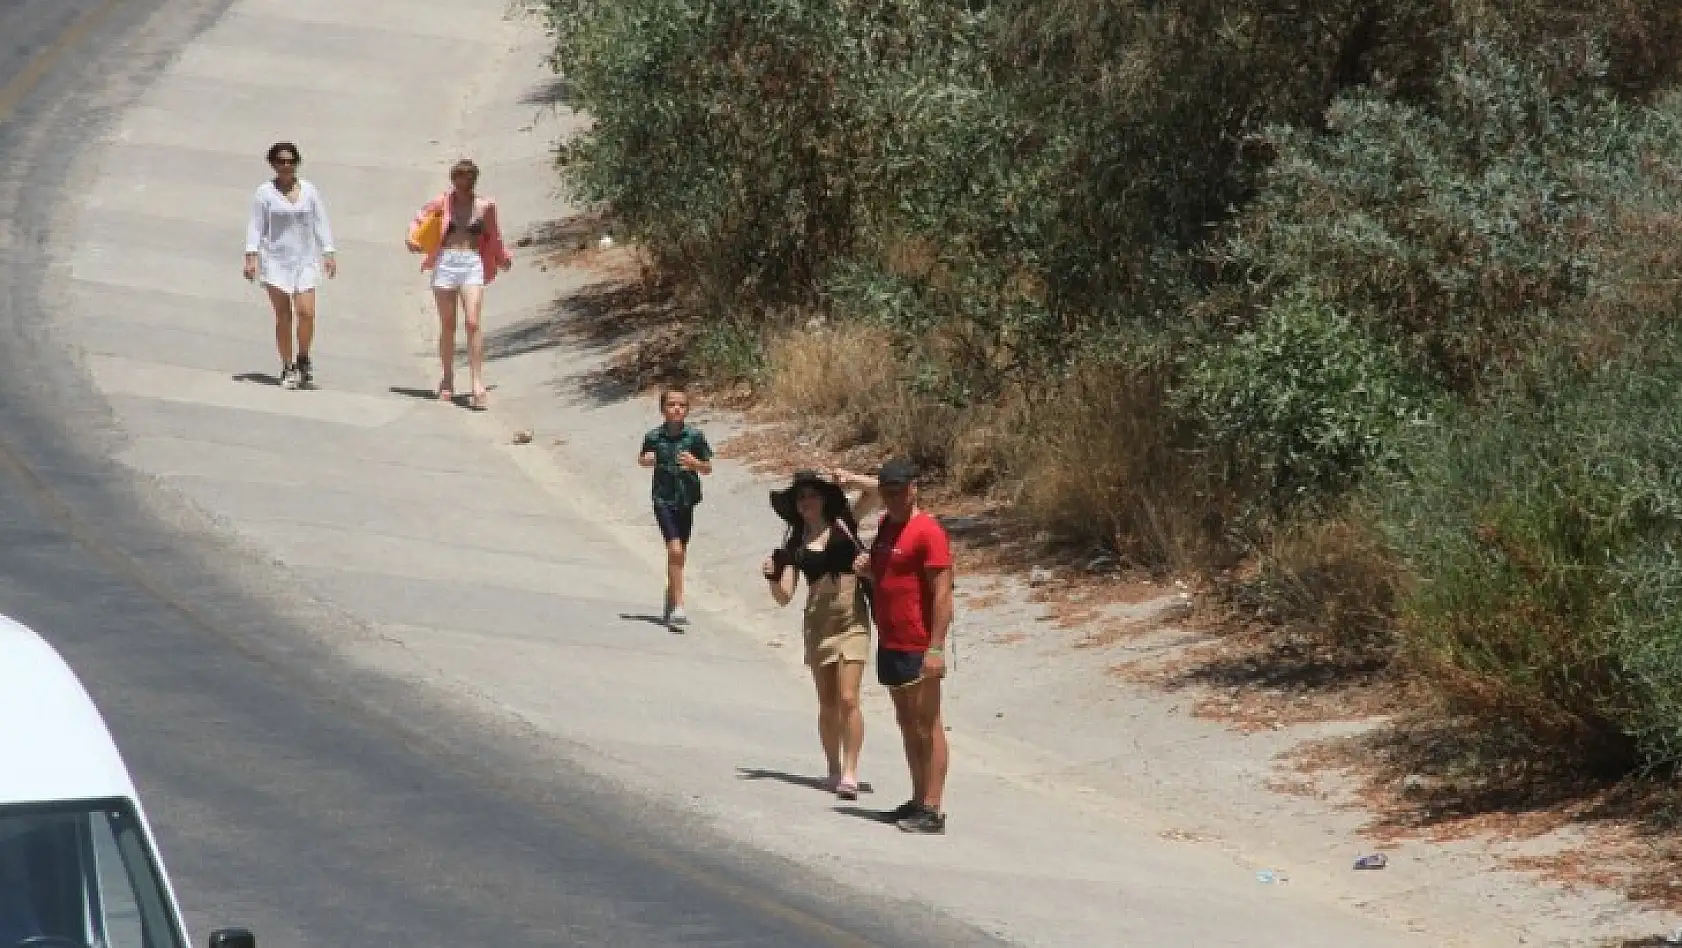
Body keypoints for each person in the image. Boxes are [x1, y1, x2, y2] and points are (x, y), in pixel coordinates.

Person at [763, 469, 879, 800]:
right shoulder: (795, 542)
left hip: (851, 616)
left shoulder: (845, 521)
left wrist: (850, 478)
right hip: (817, 622)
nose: (806, 502)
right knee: (827, 703)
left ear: (824, 498)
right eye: (800, 498)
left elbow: (878, 492)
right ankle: (832, 767)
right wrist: (772, 577)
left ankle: (851, 771)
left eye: (812, 495)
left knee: (848, 698)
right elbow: (785, 595)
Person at [853, 458, 953, 834]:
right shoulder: (884, 527)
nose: (893, 500)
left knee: (928, 724)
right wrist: (868, 568)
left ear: (913, 488)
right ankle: (916, 800)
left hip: (919, 642)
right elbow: (887, 575)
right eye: (887, 493)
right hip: (890, 638)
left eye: (899, 492)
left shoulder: (928, 532)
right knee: (907, 723)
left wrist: (936, 648)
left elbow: (943, 595)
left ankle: (933, 807)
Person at [406, 158, 513, 410]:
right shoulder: (442, 203)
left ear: (474, 179)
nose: (463, 182)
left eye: (468, 177)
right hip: (446, 262)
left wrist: (502, 258)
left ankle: (477, 382)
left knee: (473, 322)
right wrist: (412, 238)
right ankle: (447, 377)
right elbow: (419, 219)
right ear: (453, 179)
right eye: (459, 177)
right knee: (448, 324)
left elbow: (494, 235)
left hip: (471, 263)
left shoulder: (485, 206)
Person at [244, 141, 336, 390]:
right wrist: (251, 256)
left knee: (306, 313)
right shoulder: (264, 193)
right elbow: (256, 225)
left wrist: (328, 251)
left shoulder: (309, 190)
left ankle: (303, 358)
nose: (286, 165)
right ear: (273, 164)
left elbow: (320, 221)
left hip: (304, 260)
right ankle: (287, 365)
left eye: (290, 160)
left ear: (297, 162)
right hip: (276, 261)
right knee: (283, 316)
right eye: (281, 161)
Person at [638, 387, 713, 627]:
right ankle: (679, 605)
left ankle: (671, 595)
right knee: (675, 550)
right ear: (662, 410)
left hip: (686, 499)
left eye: (681, 405)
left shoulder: (695, 436)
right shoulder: (653, 436)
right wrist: (646, 460)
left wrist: (695, 464)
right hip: (663, 499)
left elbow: (708, 467)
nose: (676, 409)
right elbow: (642, 458)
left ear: (688, 409)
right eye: (671, 405)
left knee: (680, 551)